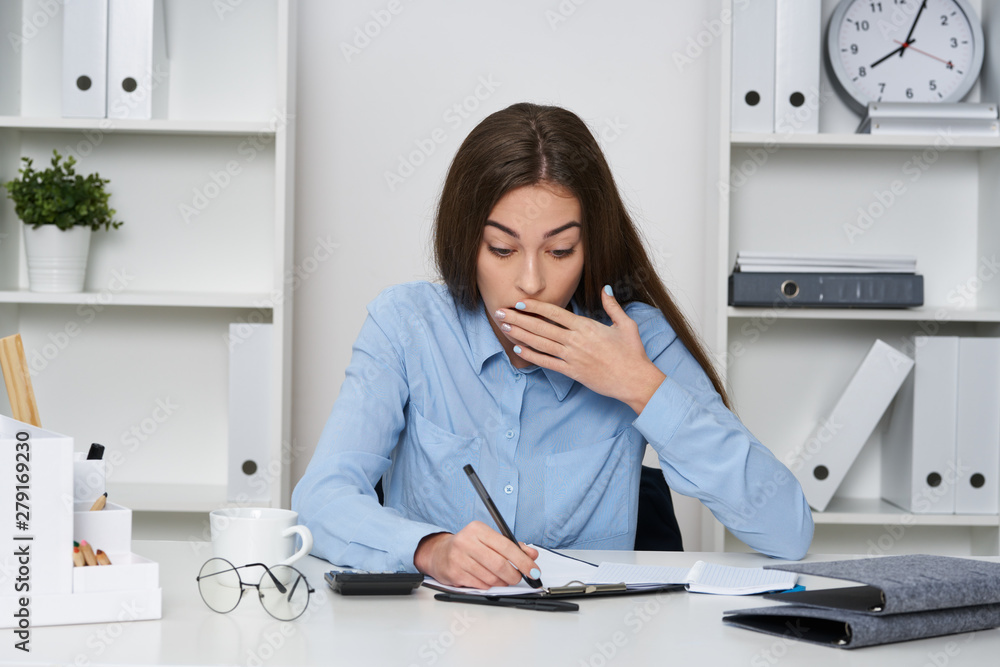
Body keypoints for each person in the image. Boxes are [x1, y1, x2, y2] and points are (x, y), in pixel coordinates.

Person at [293, 102, 813, 588]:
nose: (531, 281)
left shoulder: (638, 337)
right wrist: (430, 549)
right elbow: (321, 497)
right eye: (502, 248)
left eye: (560, 250)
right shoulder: (407, 324)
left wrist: (639, 386)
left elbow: (787, 530)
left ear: (590, 246)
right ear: (466, 242)